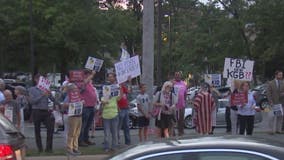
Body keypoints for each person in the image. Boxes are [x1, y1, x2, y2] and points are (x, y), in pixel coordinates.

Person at [28, 74, 55, 153]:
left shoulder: (46, 89)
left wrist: (50, 94)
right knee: (37, 130)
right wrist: (42, 95)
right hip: (37, 111)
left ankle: (49, 148)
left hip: (46, 111)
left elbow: (53, 100)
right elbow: (32, 102)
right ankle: (40, 148)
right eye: (39, 79)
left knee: (50, 128)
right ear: (36, 80)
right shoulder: (32, 89)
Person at [78, 69, 98, 146]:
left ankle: (86, 139)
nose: (90, 77)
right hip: (85, 107)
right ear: (85, 75)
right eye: (88, 74)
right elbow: (83, 84)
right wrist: (92, 75)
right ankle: (80, 140)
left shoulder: (89, 83)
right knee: (83, 124)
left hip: (91, 106)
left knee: (88, 125)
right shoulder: (82, 82)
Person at [62, 83, 83, 155]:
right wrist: (71, 105)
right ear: (71, 90)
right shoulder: (69, 96)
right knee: (71, 133)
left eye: (76, 88)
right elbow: (64, 104)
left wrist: (82, 102)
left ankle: (75, 148)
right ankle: (69, 148)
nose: (76, 89)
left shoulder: (78, 95)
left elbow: (82, 101)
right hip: (72, 116)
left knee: (77, 133)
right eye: (75, 88)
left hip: (79, 115)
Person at [101, 73, 119, 152]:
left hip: (114, 114)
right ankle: (106, 147)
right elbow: (102, 102)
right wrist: (105, 100)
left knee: (114, 132)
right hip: (106, 115)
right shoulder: (103, 94)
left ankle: (114, 147)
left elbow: (120, 97)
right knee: (107, 133)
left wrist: (120, 89)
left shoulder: (115, 93)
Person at [117, 76, 132, 145]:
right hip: (120, 108)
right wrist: (118, 108)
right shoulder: (117, 88)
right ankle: (117, 141)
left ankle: (128, 141)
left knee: (126, 126)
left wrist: (129, 82)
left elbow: (129, 91)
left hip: (125, 108)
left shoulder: (124, 87)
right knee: (118, 126)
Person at [173, 71, 187, 136]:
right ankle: (172, 133)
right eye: (176, 75)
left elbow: (185, 94)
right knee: (174, 119)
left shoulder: (183, 83)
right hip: (174, 105)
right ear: (174, 76)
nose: (178, 76)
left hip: (182, 105)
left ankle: (181, 132)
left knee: (181, 119)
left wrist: (185, 102)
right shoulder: (172, 83)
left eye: (179, 75)